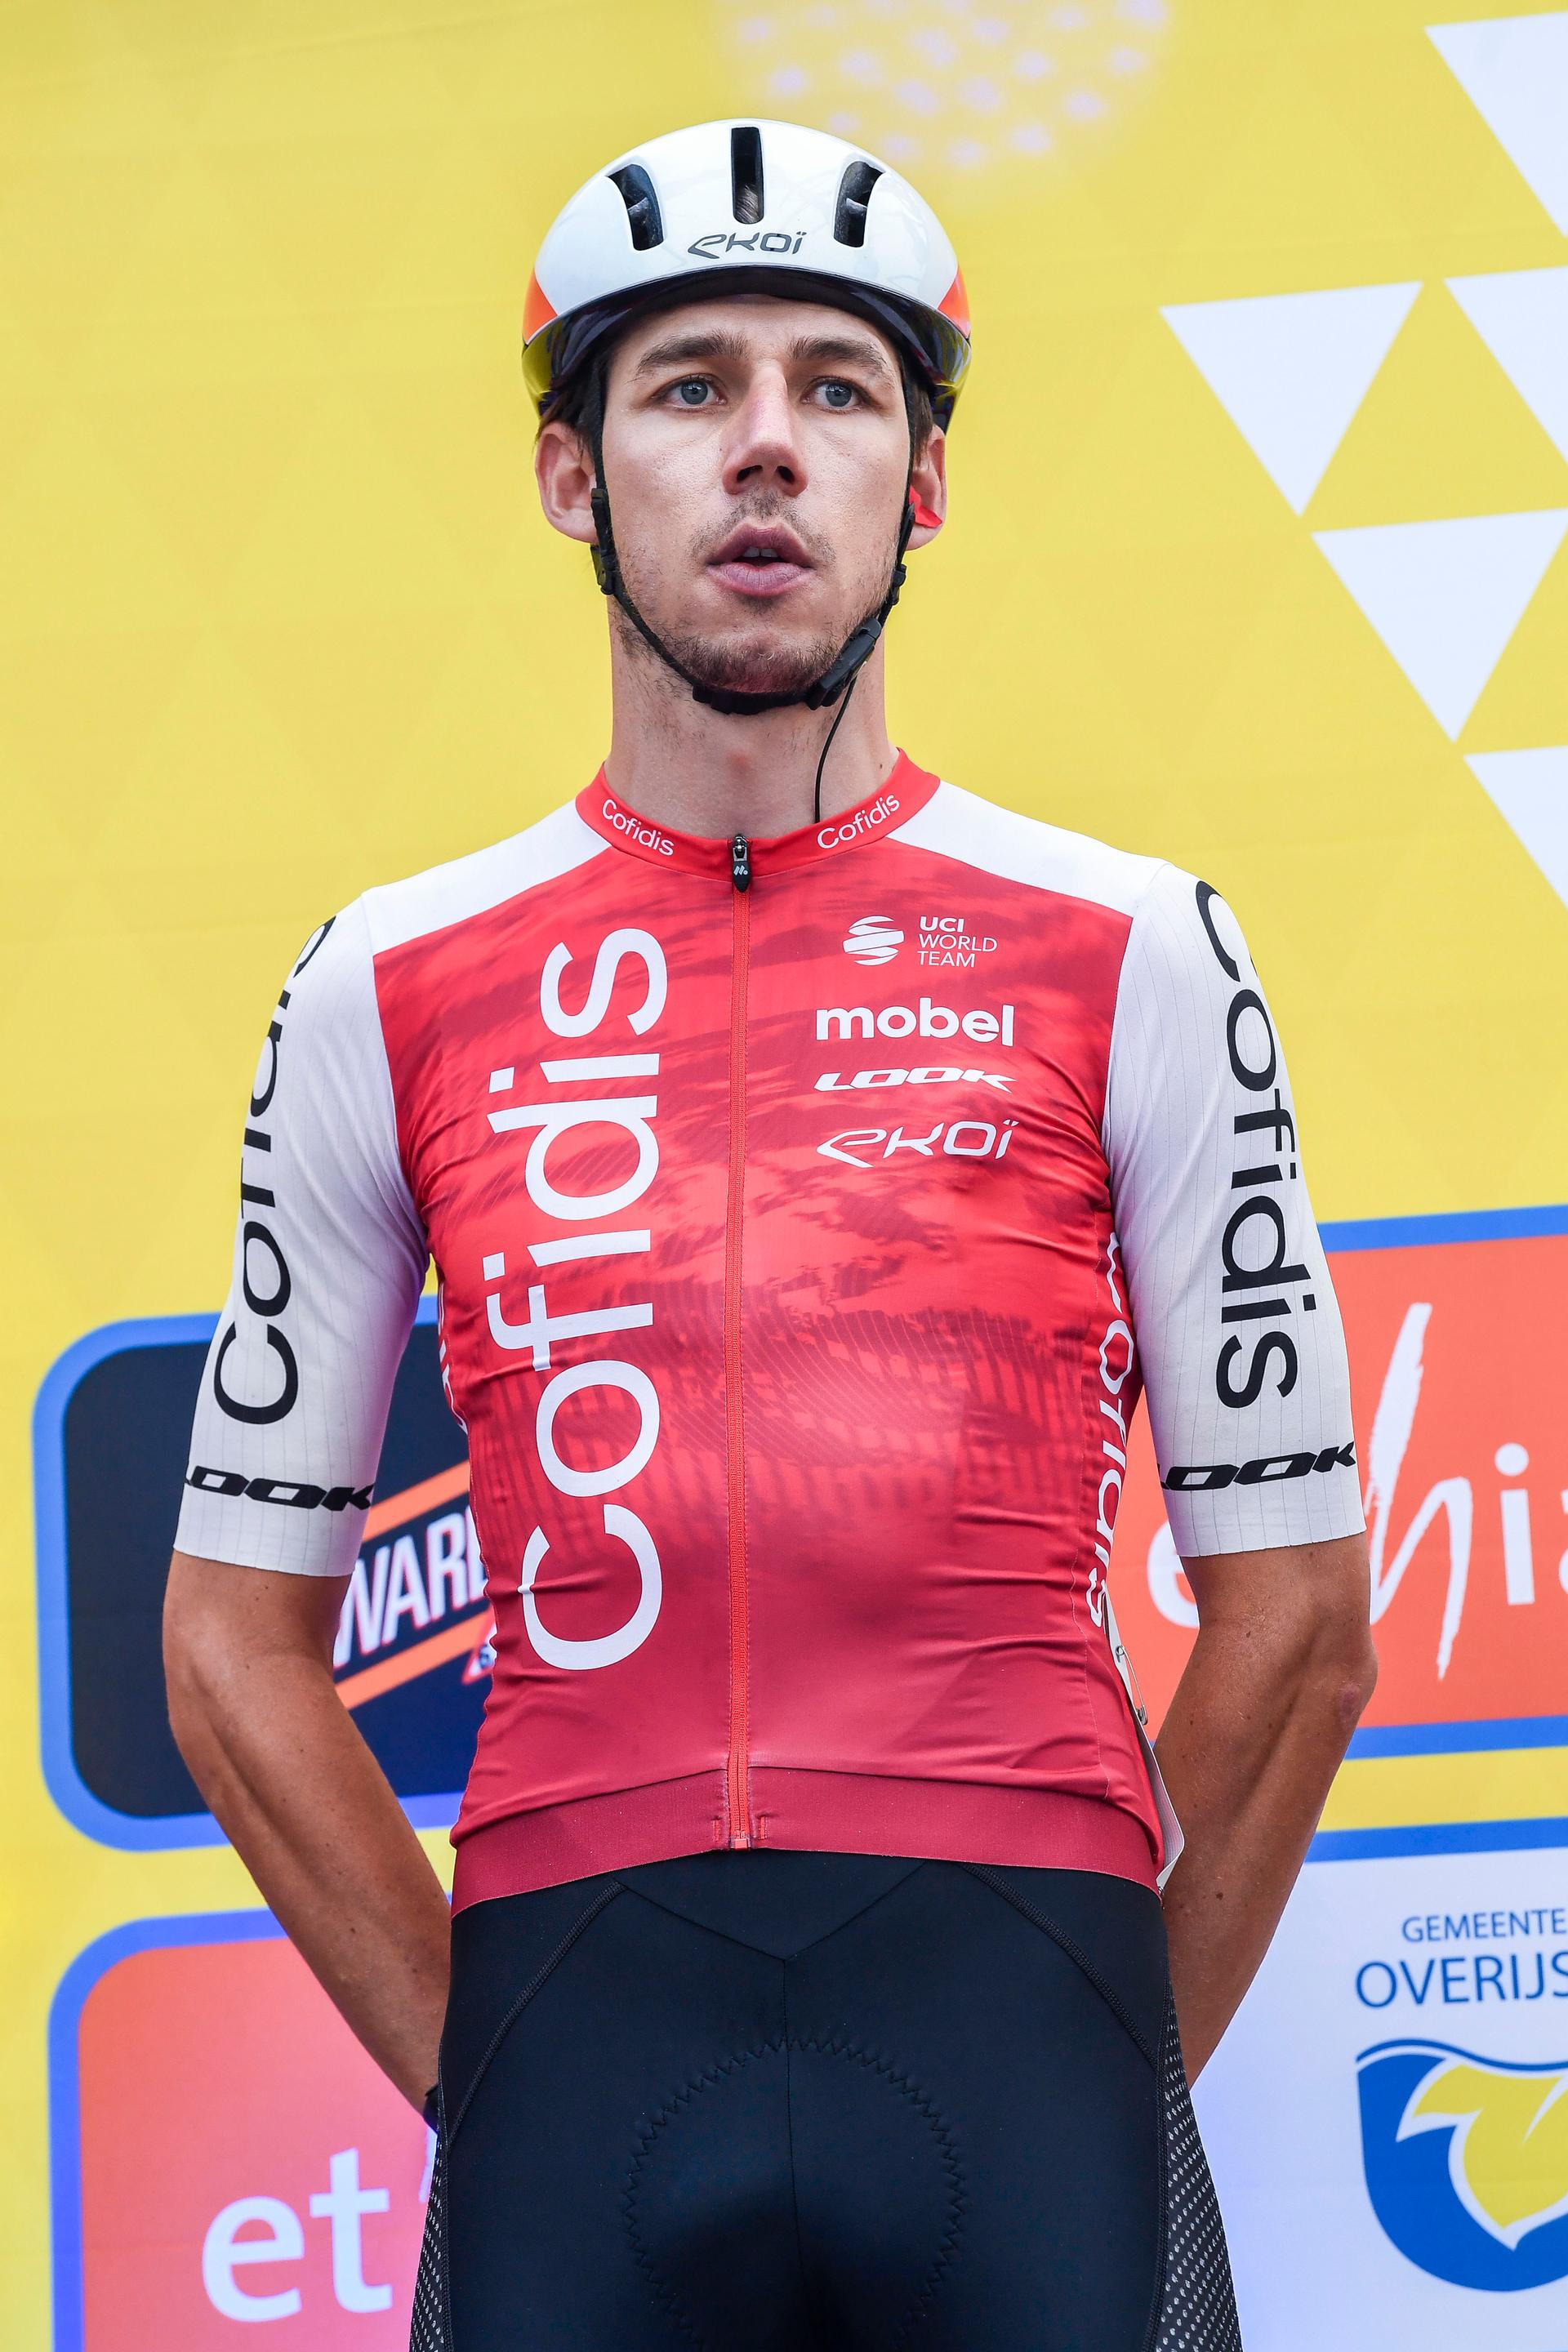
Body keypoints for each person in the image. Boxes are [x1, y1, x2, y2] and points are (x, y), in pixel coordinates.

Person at [163, 118, 1376, 2351]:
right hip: (578, 2028)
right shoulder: (388, 976)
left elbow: (1298, 1619)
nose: (766, 449)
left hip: (1023, 2010)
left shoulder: (1138, 945)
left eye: (838, 388)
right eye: (689, 382)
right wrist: (495, 2068)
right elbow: (231, 1649)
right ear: (569, 476)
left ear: (918, 485)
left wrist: (1098, 2041)